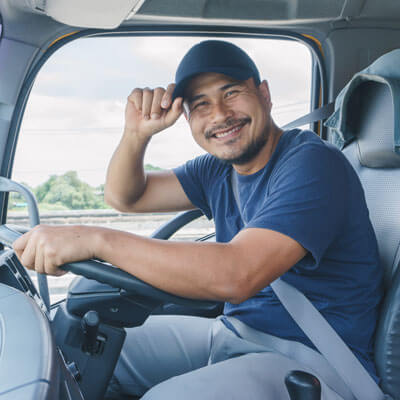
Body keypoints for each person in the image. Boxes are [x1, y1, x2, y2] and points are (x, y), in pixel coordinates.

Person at [13, 40, 383, 400]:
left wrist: (97, 240)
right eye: (201, 104)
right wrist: (136, 134)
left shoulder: (312, 164)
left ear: (265, 94)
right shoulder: (218, 170)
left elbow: (238, 274)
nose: (220, 114)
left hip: (313, 362)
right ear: (187, 118)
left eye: (232, 92)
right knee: (78, 350)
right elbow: (126, 196)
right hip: (236, 333)